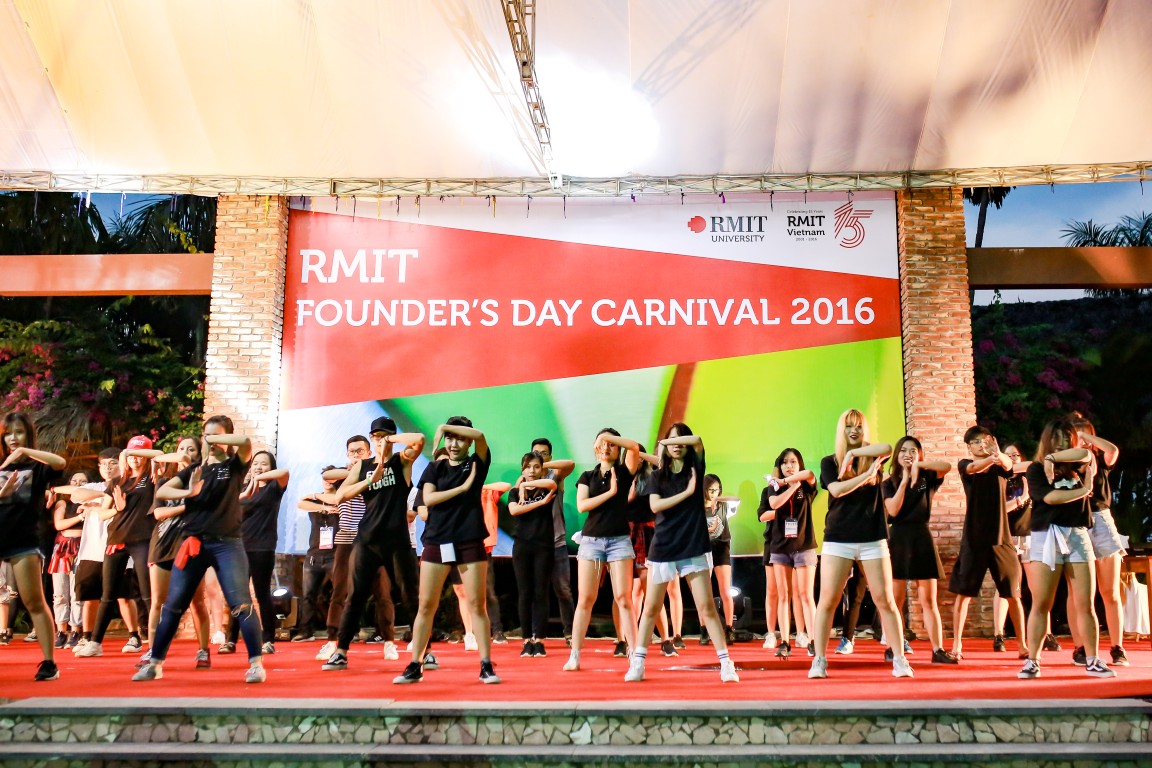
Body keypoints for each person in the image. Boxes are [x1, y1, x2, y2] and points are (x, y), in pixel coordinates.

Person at [132, 414, 265, 683]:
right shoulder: (194, 471)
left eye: (217, 436)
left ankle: (256, 664)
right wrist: (188, 492)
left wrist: (214, 439)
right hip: (193, 543)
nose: (211, 441)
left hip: (227, 543)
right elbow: (163, 492)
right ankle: (155, 663)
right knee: (172, 605)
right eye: (207, 436)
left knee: (240, 603)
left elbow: (245, 442)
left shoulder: (234, 465)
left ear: (225, 438)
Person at [627, 422, 739, 683]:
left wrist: (671, 443)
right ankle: (638, 663)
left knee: (707, 607)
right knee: (651, 608)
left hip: (694, 546)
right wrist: (688, 493)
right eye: (671, 440)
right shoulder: (658, 476)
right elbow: (655, 506)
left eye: (681, 440)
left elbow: (698, 439)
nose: (677, 445)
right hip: (664, 547)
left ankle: (726, 664)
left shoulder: (695, 469)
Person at [808, 409, 910, 679]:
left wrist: (855, 455)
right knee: (827, 600)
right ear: (841, 430)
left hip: (872, 538)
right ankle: (819, 659)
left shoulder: (874, 455)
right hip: (838, 538)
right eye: (848, 426)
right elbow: (837, 490)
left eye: (859, 426)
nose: (854, 431)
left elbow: (888, 447)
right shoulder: (829, 462)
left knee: (885, 600)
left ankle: (899, 659)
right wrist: (866, 477)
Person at [395, 417, 497, 684]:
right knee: (426, 605)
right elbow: (427, 499)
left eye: (459, 438)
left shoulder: (477, 463)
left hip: (470, 540)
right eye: (449, 438)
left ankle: (486, 665)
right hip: (437, 541)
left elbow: (481, 435)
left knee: (477, 604)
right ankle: (415, 664)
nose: (453, 443)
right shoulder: (434, 468)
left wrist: (443, 428)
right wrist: (463, 488)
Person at [322, 417, 425, 671]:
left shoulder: (401, 461)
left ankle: (425, 651)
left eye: (383, 436)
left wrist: (390, 441)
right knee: (354, 596)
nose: (379, 440)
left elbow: (419, 440)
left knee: (410, 596)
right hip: (367, 540)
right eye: (375, 437)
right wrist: (370, 479)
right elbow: (340, 495)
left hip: (397, 540)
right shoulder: (363, 466)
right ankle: (341, 651)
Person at [1018, 417, 1114, 679]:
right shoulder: (1036, 469)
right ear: (1047, 441)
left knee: (1086, 603)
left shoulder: (1081, 465)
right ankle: (1033, 661)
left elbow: (1085, 452)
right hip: (1046, 536)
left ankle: (1093, 659)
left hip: (1078, 536)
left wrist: (1056, 461)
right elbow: (1050, 497)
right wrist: (1085, 490)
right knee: (1041, 603)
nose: (1061, 445)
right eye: (1056, 439)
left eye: (1066, 439)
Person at [563, 428, 641, 672]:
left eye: (611, 445)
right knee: (585, 599)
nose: (606, 448)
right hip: (591, 541)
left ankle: (635, 656)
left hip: (619, 541)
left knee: (624, 599)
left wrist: (610, 438)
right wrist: (610, 493)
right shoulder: (587, 476)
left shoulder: (624, 472)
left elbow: (635, 448)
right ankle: (575, 654)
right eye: (602, 444)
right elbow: (583, 505)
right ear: (595, 448)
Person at [76, 436, 162, 658]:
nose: (135, 459)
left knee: (146, 592)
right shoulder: (117, 482)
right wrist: (118, 509)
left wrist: (129, 453)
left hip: (142, 540)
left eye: (140, 455)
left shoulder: (153, 478)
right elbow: (103, 513)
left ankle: (155, 645)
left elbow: (160, 455)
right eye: (132, 455)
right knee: (108, 593)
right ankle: (95, 642)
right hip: (116, 539)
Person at [949, 426, 1027, 660]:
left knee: (1013, 593)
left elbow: (1008, 465)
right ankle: (956, 645)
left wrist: (999, 456)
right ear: (969, 447)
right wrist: (992, 458)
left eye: (984, 440)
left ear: (991, 441)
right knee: (963, 594)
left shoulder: (1001, 466)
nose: (980, 445)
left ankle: (1022, 645)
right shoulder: (965, 464)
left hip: (1001, 539)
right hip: (973, 539)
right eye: (975, 442)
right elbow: (973, 467)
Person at [0, 412, 67, 680]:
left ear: (28, 434)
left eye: (19, 432)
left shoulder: (38, 466)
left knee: (34, 601)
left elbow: (61, 462)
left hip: (23, 540)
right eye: (8, 433)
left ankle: (49, 662)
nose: (13, 438)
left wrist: (26, 451)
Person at [882, 436, 956, 664]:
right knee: (895, 599)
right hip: (899, 538)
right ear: (896, 455)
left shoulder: (927, 477)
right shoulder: (889, 481)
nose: (908, 454)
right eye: (903, 450)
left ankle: (938, 650)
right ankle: (894, 647)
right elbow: (892, 511)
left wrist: (919, 466)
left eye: (913, 451)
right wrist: (904, 481)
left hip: (922, 537)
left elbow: (947, 467)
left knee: (929, 599)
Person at [140, 437, 212, 670]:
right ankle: (153, 650)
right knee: (157, 602)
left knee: (196, 601)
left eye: (191, 449)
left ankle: (203, 650)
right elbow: (159, 513)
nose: (186, 452)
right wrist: (187, 505)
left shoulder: (203, 480)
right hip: (162, 545)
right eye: (182, 448)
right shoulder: (164, 482)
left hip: (190, 547)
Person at [1067, 413, 1127, 667]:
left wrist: (1086, 437)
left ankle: (1117, 647)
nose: (1081, 440)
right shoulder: (1066, 462)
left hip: (1101, 519)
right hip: (1074, 521)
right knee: (1078, 593)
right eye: (1075, 435)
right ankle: (1081, 647)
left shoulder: (1100, 460)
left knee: (1110, 591)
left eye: (1085, 434)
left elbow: (1112, 450)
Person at [220, 450, 288, 655]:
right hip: (238, 546)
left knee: (262, 593)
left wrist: (259, 477)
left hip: (262, 546)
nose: (259, 467)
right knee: (237, 594)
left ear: (271, 467)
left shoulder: (275, 487)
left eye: (264, 464)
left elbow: (284, 472)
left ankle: (268, 639)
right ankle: (231, 639)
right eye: (256, 463)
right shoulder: (242, 488)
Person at [760, 448, 818, 659]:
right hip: (780, 547)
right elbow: (774, 504)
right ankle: (784, 641)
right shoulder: (773, 488)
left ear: (799, 464)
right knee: (783, 595)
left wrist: (790, 482)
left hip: (804, 545)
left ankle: (812, 639)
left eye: (793, 462)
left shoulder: (807, 485)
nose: (789, 466)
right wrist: (789, 487)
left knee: (805, 595)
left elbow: (810, 474)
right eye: (784, 462)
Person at [508, 452, 558, 657]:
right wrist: (537, 502)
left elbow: (553, 487)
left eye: (536, 467)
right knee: (525, 593)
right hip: (522, 546)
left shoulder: (547, 484)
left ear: (542, 469)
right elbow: (513, 511)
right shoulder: (514, 491)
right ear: (522, 470)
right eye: (528, 467)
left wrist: (524, 487)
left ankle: (540, 640)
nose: (532, 471)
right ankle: (527, 639)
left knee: (541, 593)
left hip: (543, 546)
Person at [530, 438, 576, 645]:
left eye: (544, 453)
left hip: (556, 543)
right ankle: (535, 634)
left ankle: (570, 633)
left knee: (563, 590)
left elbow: (570, 464)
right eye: (535, 453)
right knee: (535, 592)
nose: (540, 456)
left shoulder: (555, 475)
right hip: (535, 546)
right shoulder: (526, 478)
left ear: (550, 456)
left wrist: (542, 463)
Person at [292, 466, 342, 642]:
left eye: (330, 478)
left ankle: (341, 630)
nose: (327, 481)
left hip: (336, 552)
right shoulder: (316, 499)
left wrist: (318, 499)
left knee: (339, 593)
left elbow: (336, 500)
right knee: (309, 595)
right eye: (324, 478)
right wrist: (324, 507)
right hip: (314, 553)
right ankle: (305, 631)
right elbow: (300, 503)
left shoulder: (343, 496)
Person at [993, 443, 1033, 652]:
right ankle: (999, 635)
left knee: (1036, 586)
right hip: (1007, 537)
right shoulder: (1000, 478)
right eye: (1008, 455)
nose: (1013, 458)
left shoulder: (1030, 477)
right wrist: (1021, 499)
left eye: (1015, 454)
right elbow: (999, 509)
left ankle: (1045, 633)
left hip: (1030, 536)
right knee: (1005, 587)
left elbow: (1034, 464)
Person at [47, 472, 91, 649]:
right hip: (62, 548)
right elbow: (59, 525)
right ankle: (61, 630)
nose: (78, 484)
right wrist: (80, 517)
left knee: (76, 592)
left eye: (83, 481)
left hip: (82, 546)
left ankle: (75, 629)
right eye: (74, 481)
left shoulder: (90, 502)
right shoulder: (62, 502)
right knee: (60, 593)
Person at [702, 474, 738, 646]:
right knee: (704, 593)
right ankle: (704, 630)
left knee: (725, 591)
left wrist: (718, 498)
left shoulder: (724, 506)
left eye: (717, 489)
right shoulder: (697, 508)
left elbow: (736, 500)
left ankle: (729, 628)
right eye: (711, 489)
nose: (714, 492)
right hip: (704, 549)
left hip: (722, 547)